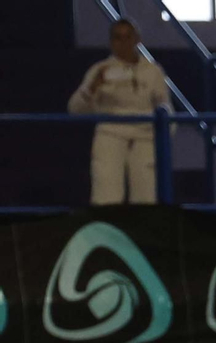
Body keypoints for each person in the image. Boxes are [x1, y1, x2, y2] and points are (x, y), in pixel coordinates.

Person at [67, 18, 170, 206]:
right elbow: (74, 109)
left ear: (137, 39)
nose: (123, 43)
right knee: (106, 199)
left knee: (146, 201)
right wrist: (91, 88)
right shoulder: (99, 70)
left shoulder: (153, 72)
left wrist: (163, 138)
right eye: (117, 38)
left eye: (127, 37)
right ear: (111, 42)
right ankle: (105, 235)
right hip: (110, 136)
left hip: (144, 139)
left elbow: (166, 109)